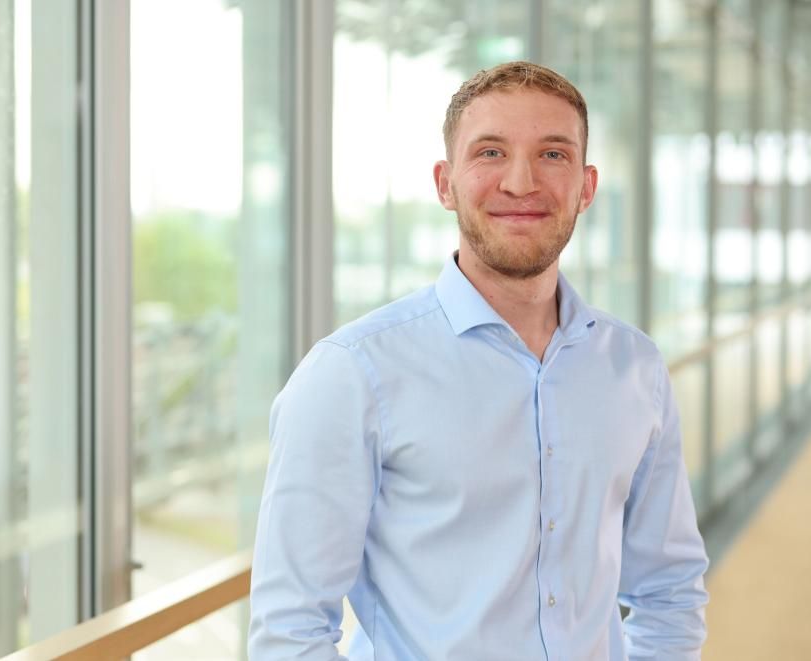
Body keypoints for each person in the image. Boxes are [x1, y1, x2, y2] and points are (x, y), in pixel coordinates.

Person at [248, 61, 709, 660]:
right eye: (490, 153)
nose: (521, 183)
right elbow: (290, 633)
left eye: (553, 155)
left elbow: (670, 592)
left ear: (587, 187)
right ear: (446, 183)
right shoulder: (352, 375)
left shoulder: (634, 368)